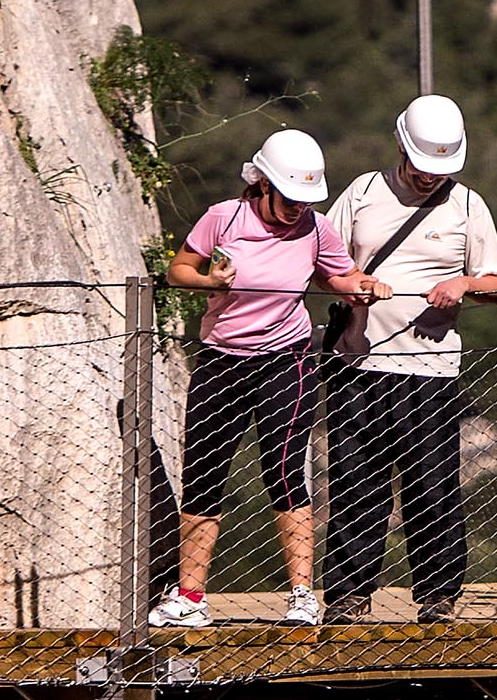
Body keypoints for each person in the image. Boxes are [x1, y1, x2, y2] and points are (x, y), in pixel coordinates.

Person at [151, 129, 388, 628]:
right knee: (203, 474)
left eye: (306, 200)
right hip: (222, 359)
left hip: (287, 360)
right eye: (289, 198)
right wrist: (210, 281)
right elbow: (178, 270)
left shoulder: (317, 228)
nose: (297, 209)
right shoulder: (223, 217)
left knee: (284, 474)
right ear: (261, 184)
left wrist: (359, 286)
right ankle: (190, 597)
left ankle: (302, 595)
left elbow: (336, 277)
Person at [319, 94, 497, 623]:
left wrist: (463, 284)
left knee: (433, 484)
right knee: (357, 481)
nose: (430, 178)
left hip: (431, 369)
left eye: (439, 169)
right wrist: (352, 284)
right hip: (357, 363)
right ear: (401, 147)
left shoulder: (468, 206)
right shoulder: (361, 192)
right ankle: (349, 595)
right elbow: (322, 262)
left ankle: (439, 596)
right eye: (423, 166)